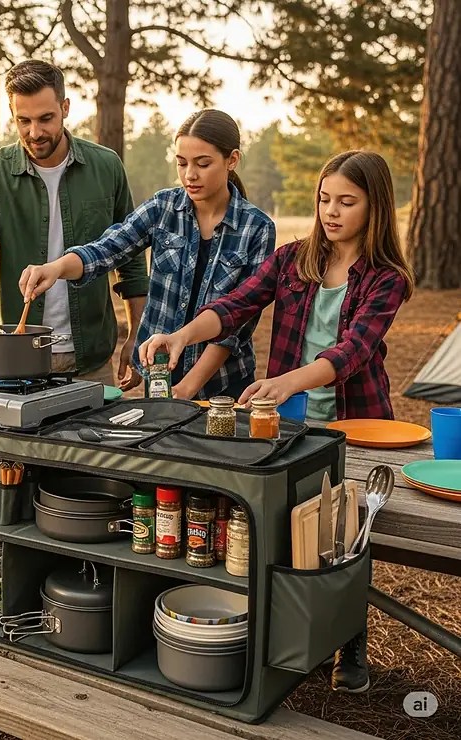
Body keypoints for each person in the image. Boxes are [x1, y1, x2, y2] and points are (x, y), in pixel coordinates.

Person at [140, 150, 415, 692]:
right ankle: (285, 635)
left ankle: (350, 646)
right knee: (290, 527)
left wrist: (287, 380)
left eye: (346, 201)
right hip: (287, 424)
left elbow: (354, 351)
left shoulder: (387, 279)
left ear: (375, 207)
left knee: (349, 536)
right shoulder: (293, 260)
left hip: (355, 422)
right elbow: (235, 305)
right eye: (324, 198)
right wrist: (182, 336)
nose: (330, 211)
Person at [19, 109, 276, 400]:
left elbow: (237, 323)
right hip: (160, 376)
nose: (189, 175)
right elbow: (107, 248)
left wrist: (188, 388)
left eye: (203, 164)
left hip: (223, 386)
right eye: (181, 163)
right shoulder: (163, 207)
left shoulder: (257, 228)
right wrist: (55, 268)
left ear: (232, 160)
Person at [0, 59, 149, 389]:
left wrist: (136, 334)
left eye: (45, 119)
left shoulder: (107, 166)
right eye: (23, 121)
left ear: (65, 107)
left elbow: (130, 261)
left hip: (91, 359)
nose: (35, 132)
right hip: (12, 361)